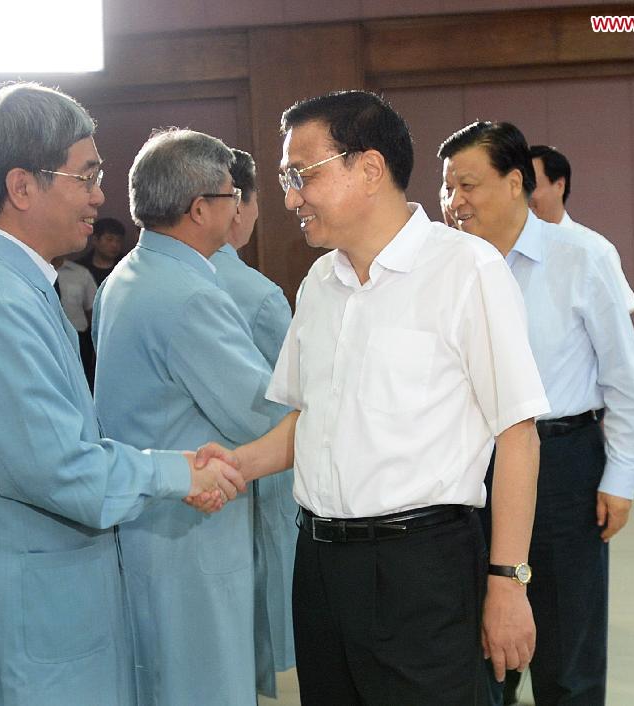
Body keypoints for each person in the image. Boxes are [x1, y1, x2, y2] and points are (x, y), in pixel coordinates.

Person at [198, 91, 550, 705]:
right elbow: (314, 418)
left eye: (301, 175)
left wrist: (508, 583)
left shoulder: (465, 270)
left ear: (369, 168)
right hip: (320, 566)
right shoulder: (319, 283)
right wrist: (239, 464)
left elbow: (517, 434)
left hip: (421, 565)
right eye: (286, 178)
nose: (289, 198)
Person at [0, 83, 244, 706]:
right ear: (23, 187)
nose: (100, 196)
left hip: (36, 605)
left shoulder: (12, 284)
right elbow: (61, 469)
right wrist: (179, 473)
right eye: (86, 175)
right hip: (23, 628)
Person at [438, 121, 634, 706]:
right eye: (446, 188)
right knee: (482, 651)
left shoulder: (582, 256)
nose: (454, 202)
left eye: (467, 185)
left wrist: (620, 478)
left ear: (517, 184)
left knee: (567, 651)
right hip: (470, 469)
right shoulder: (449, 265)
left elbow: (624, 381)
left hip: (562, 465)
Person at [93, 129, 292, 705]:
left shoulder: (128, 275)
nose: (238, 210)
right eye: (232, 194)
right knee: (206, 685)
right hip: (192, 529)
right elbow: (264, 413)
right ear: (201, 208)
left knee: (162, 679)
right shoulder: (190, 295)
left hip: (146, 519)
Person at [210, 148, 297, 697]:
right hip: (250, 479)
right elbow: (295, 399)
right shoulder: (257, 295)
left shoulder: (129, 278)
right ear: (236, 206)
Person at [528, 145, 634, 314]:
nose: (524, 196)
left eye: (532, 185)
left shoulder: (595, 249)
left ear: (559, 186)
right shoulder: (508, 249)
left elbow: (618, 319)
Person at [51, 255, 96, 386]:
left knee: (82, 382)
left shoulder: (81, 273)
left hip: (79, 338)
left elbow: (91, 310)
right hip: (48, 336)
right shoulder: (32, 270)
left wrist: (95, 343)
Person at [78, 216, 126, 286]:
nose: (115, 245)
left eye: (119, 240)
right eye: (109, 239)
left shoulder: (126, 265)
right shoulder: (80, 268)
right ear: (95, 240)